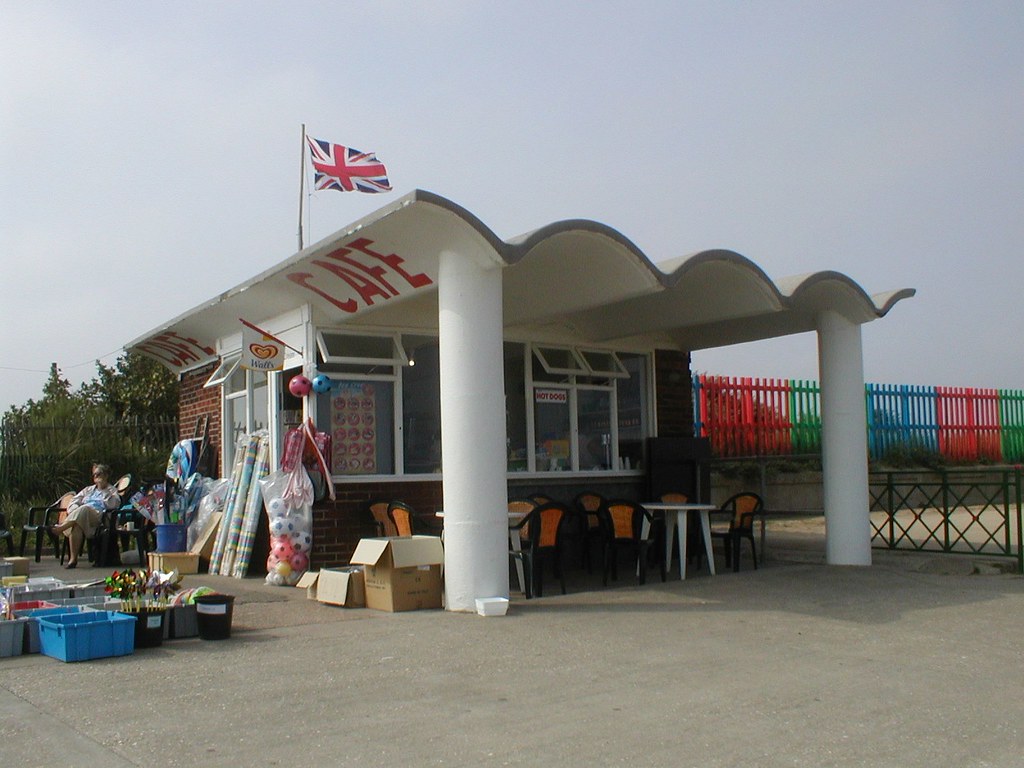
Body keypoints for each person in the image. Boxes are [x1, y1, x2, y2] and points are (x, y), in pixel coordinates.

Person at [50, 463, 121, 568]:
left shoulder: (111, 491)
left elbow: (114, 504)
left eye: (99, 474)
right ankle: (73, 560)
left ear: (106, 475)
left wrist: (104, 490)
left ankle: (61, 528)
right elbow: (74, 501)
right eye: (94, 475)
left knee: (84, 509)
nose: (96, 476)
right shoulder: (88, 490)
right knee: (76, 525)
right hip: (83, 515)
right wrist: (75, 510)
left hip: (98, 516)